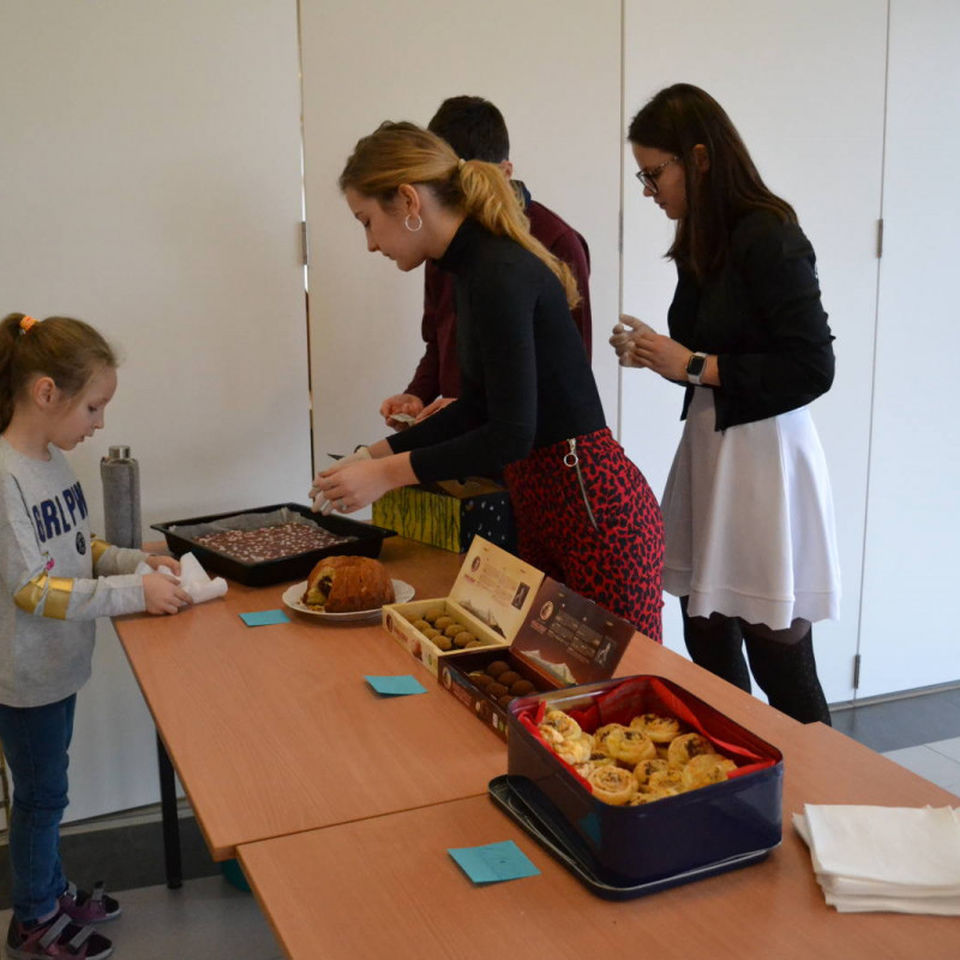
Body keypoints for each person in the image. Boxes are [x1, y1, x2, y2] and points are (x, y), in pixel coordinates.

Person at [312, 122, 663, 639]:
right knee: (556, 696)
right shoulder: (471, 267)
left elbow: (509, 434)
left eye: (367, 221)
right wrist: (374, 455)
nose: (369, 244)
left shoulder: (496, 271)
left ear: (408, 201)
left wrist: (388, 475)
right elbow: (474, 407)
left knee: (621, 699)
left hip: (594, 514)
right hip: (552, 507)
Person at [611, 84, 839, 724]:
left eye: (655, 173)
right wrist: (663, 357)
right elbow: (709, 358)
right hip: (713, 448)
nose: (649, 189)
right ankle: (738, 781)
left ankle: (826, 803)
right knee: (704, 637)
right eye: (643, 175)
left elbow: (812, 366)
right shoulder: (699, 235)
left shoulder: (769, 232)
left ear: (701, 158)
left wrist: (689, 364)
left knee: (779, 661)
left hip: (765, 458)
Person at [0, 313, 191, 959]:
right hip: (25, 678)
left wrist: (134, 561)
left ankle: (48, 890)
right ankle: (33, 917)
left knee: (50, 788)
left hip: (59, 665)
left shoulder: (51, 461)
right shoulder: (5, 477)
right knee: (42, 796)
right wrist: (130, 595)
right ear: (45, 392)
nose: (100, 424)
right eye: (93, 406)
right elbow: (31, 588)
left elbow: (78, 549)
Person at [379, 96, 592, 431]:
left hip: (525, 451)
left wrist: (471, 409)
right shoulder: (439, 245)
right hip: (465, 440)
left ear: (505, 172)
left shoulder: (556, 242)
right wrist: (417, 395)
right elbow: (438, 341)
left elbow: (567, 377)